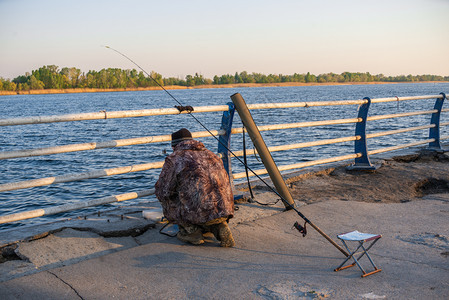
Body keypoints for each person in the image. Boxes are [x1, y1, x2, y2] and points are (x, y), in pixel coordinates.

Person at [155, 128, 235, 247]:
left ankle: (192, 232)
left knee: (170, 199)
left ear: (174, 146)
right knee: (204, 201)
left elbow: (163, 191)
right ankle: (219, 226)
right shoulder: (211, 154)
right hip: (223, 207)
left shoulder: (175, 158)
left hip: (198, 209)